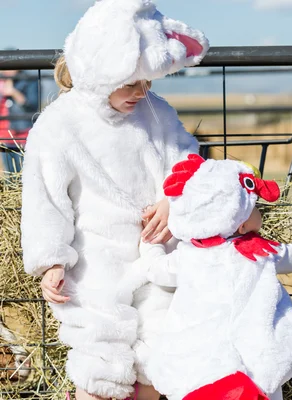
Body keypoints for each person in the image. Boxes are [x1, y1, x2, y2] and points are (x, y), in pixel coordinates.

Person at [19, 0, 209, 399]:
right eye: (130, 82)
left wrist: (175, 199)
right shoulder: (59, 126)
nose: (141, 92)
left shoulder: (157, 113)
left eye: (147, 82)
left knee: (160, 357)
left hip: (159, 256)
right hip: (96, 266)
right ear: (100, 72)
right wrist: (51, 259)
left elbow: (189, 160)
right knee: (101, 366)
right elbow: (45, 198)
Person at [133, 155, 292, 400]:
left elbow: (155, 268)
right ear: (241, 224)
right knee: (265, 385)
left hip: (201, 362)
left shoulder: (188, 257)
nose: (261, 214)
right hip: (254, 356)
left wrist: (148, 240)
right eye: (256, 208)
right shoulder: (259, 252)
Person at [0, 67, 39, 174]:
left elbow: (32, 105)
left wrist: (13, 92)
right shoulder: (1, 81)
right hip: (5, 134)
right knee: (10, 174)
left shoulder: (29, 80)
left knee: (25, 173)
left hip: (23, 134)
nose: (8, 70)